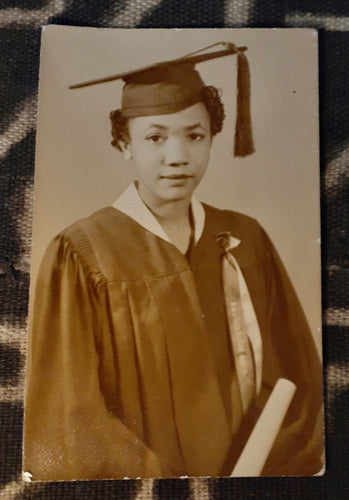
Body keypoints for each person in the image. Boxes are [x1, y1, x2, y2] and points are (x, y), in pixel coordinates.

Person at [23, 42, 323, 480]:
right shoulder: (84, 252)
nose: (178, 156)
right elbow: (71, 413)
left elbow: (300, 375)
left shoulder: (246, 238)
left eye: (195, 135)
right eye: (155, 137)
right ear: (124, 144)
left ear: (213, 137)